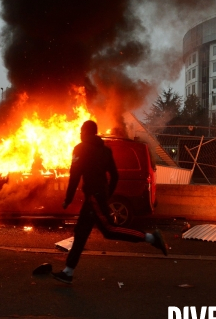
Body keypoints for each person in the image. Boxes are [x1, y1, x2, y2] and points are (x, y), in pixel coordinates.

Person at [52, 120, 168, 285]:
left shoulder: (81, 148)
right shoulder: (105, 150)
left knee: (110, 230)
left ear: (85, 132)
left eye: (81, 132)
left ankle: (151, 238)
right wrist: (108, 193)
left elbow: (75, 175)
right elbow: (114, 175)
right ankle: (68, 272)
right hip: (96, 196)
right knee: (81, 233)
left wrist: (68, 198)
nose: (80, 134)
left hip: (94, 197)